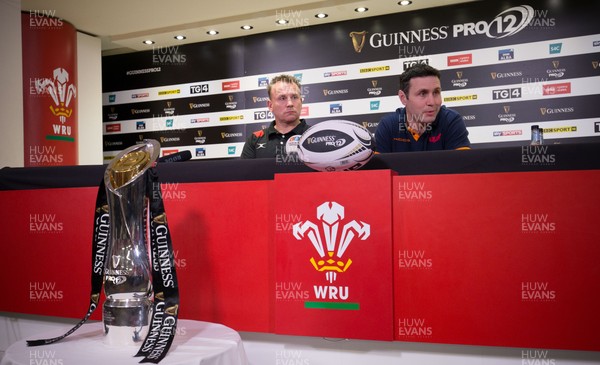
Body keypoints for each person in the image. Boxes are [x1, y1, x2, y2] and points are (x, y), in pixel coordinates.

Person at [375, 64, 470, 152]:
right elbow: (377, 170)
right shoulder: (388, 126)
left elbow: (464, 167)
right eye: (423, 94)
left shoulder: (451, 121)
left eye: (436, 92)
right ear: (403, 98)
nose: (432, 102)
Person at [241, 74, 310, 158]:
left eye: (294, 97)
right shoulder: (254, 140)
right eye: (282, 98)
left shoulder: (316, 136)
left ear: (301, 101)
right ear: (270, 105)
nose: (290, 103)